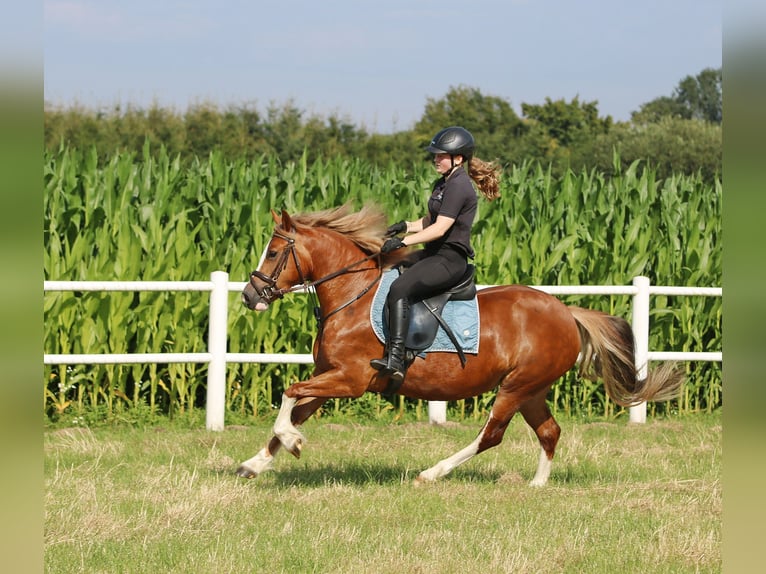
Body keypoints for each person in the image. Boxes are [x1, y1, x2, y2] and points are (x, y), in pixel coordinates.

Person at [370, 126, 501, 384]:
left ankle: (395, 358)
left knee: (399, 289)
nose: (435, 159)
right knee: (388, 269)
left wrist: (402, 242)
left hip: (449, 259)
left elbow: (439, 229)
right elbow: (431, 219)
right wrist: (404, 225)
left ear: (458, 159)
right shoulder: (444, 183)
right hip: (434, 253)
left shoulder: (460, 186)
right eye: (436, 155)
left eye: (441, 155)